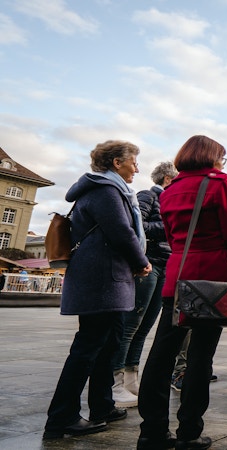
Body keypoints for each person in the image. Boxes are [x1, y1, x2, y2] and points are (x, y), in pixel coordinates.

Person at [137, 135, 227, 450]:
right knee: (201, 358)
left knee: (161, 355)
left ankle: (152, 432)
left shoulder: (170, 189)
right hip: (210, 280)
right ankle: (189, 431)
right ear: (212, 158)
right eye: (222, 158)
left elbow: (174, 237)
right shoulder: (219, 183)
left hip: (176, 275)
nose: (222, 164)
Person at [44, 140, 152, 439]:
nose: (137, 167)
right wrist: (142, 261)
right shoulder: (105, 190)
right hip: (102, 281)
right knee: (88, 347)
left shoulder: (105, 188)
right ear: (117, 162)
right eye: (133, 161)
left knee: (109, 342)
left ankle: (102, 405)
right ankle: (61, 417)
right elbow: (121, 231)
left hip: (107, 279)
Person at [111, 162, 178, 408]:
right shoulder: (148, 196)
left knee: (144, 328)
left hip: (166, 267)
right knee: (131, 325)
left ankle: (131, 378)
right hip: (148, 265)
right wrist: (169, 227)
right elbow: (137, 226)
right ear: (168, 179)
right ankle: (115, 382)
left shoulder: (171, 201)